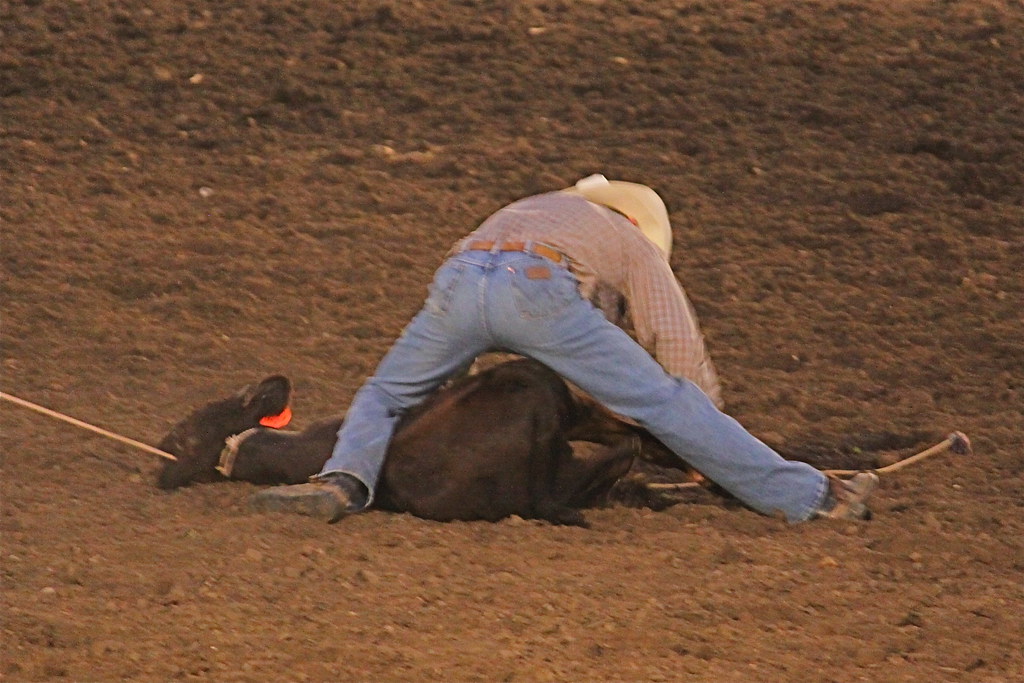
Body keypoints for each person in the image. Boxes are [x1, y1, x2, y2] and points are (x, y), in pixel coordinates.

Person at [251, 174, 878, 523]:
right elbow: (676, 351)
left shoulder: (524, 207)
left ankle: (340, 482)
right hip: (538, 287)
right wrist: (700, 442)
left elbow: (458, 359)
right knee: (669, 399)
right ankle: (811, 497)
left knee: (385, 393)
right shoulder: (627, 242)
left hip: (460, 278)